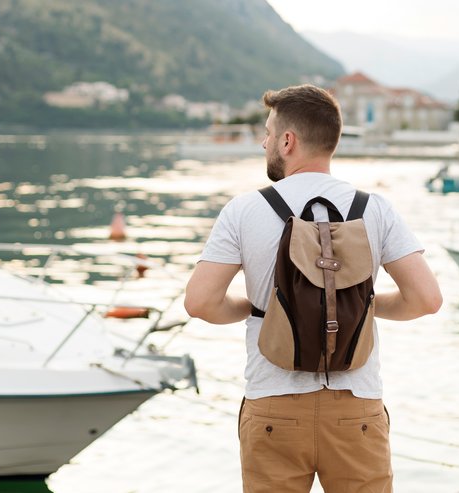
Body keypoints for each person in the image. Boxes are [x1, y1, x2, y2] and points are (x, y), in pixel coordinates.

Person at [185, 84, 442, 493]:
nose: (263, 141)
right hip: (356, 407)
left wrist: (256, 307)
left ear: (288, 141)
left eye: (269, 132)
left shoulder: (244, 210)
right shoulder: (375, 208)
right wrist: (361, 307)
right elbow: (426, 300)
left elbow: (200, 303)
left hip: (273, 404)